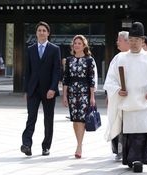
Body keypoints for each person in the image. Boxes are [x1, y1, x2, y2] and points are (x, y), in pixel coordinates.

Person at [104, 22, 147, 173]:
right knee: (128, 133)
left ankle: (138, 160)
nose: (134, 43)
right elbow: (111, 80)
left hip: (143, 102)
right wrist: (117, 90)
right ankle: (131, 159)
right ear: (128, 41)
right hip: (127, 103)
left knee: (141, 133)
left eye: (137, 40)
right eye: (132, 40)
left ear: (143, 41)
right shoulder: (120, 58)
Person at [21, 21, 61, 156]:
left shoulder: (55, 49)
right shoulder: (30, 49)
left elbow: (57, 71)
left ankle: (46, 146)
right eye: (39, 30)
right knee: (31, 117)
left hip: (49, 90)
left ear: (48, 33)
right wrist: (26, 90)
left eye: (44, 30)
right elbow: (28, 71)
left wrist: (53, 88)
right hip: (33, 90)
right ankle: (26, 144)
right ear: (36, 33)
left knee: (48, 119)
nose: (42, 32)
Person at [62, 35, 96, 159]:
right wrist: (64, 95)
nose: (76, 45)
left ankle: (79, 146)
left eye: (79, 43)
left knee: (81, 119)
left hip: (84, 93)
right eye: (75, 43)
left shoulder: (89, 60)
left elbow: (91, 79)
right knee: (75, 120)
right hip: (71, 92)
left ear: (84, 45)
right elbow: (66, 79)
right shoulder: (69, 60)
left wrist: (92, 96)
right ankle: (78, 142)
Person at [108, 31, 130, 161]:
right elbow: (111, 79)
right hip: (119, 96)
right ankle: (119, 150)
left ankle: (128, 149)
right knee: (117, 122)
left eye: (119, 40)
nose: (117, 42)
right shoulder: (117, 58)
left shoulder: (136, 56)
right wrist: (113, 91)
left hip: (133, 97)